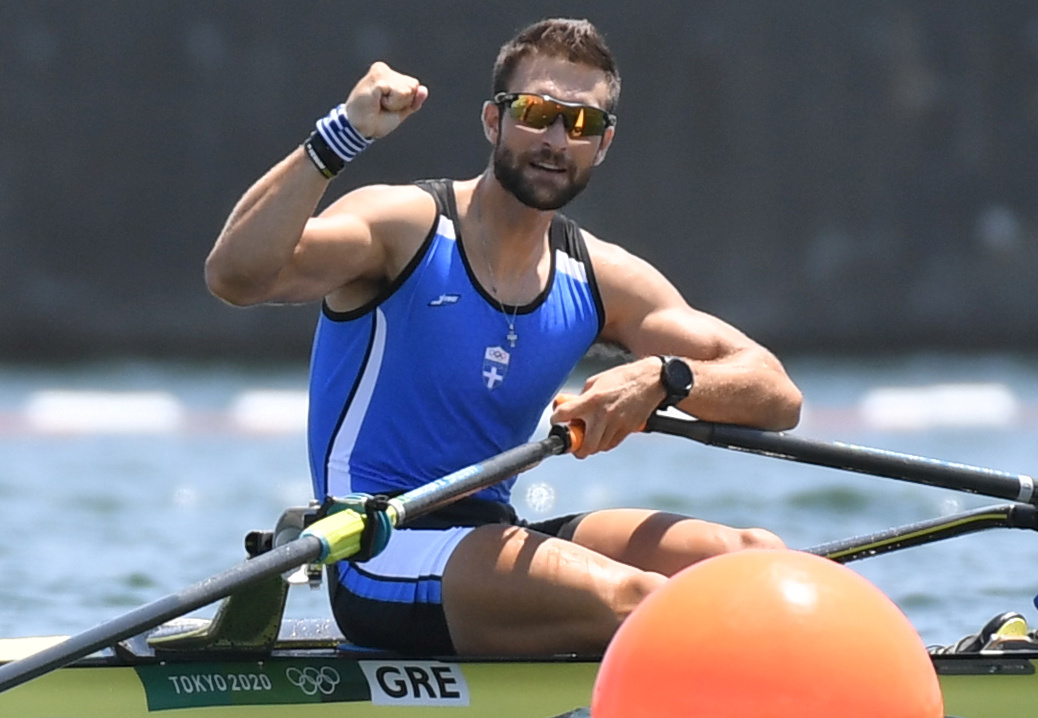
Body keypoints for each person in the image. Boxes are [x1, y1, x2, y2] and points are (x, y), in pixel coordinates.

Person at [205, 18, 802, 657]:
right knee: (648, 602)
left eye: (580, 124)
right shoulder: (402, 230)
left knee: (755, 561)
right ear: (493, 121)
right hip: (378, 550)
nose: (555, 139)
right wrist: (341, 136)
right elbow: (235, 275)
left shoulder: (599, 276)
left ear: (601, 145)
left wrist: (662, 378)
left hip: (490, 538)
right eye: (536, 113)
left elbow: (776, 395)